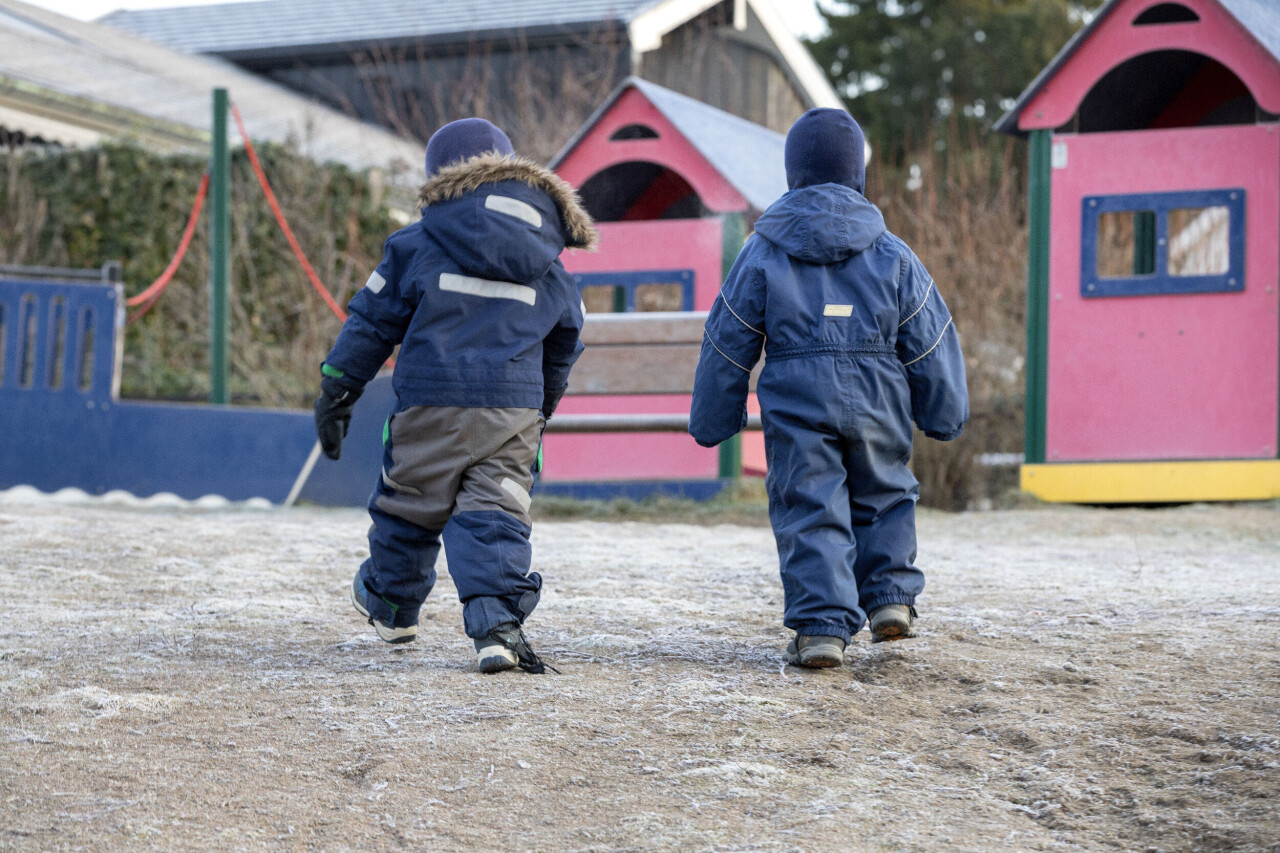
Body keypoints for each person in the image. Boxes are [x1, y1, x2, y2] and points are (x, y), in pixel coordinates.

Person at [313, 118, 596, 673]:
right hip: (512, 409)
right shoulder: (548, 258)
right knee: (495, 510)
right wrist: (541, 409)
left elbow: (371, 323)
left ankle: (393, 607)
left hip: (430, 401)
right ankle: (496, 625)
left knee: (411, 504)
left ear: (438, 179)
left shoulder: (416, 242)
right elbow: (566, 341)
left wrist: (338, 388)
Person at [689, 108, 968, 668]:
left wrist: (713, 416)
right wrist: (945, 410)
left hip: (797, 395)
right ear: (857, 174)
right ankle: (890, 599)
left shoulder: (763, 252)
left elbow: (728, 336)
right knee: (885, 489)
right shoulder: (892, 252)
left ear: (793, 174)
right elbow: (930, 334)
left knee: (808, 502)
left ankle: (821, 628)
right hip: (878, 394)